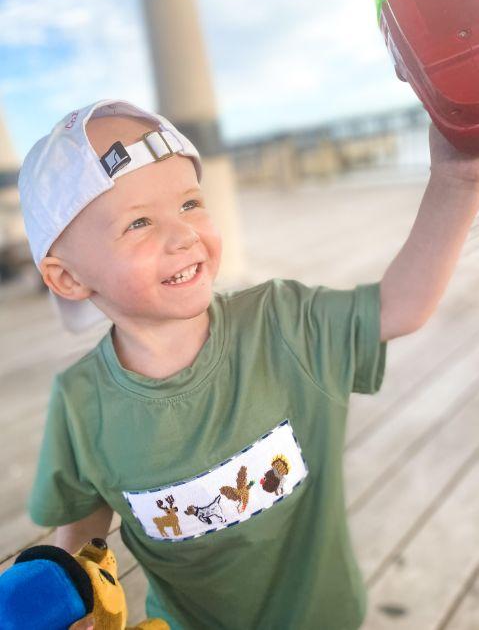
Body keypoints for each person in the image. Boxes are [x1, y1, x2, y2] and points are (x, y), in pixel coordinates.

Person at [18, 98, 479, 630]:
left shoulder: (282, 321)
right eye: (139, 222)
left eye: (190, 204)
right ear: (69, 278)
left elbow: (399, 305)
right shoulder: (80, 404)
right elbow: (83, 529)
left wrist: (458, 177)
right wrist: (75, 596)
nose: (183, 234)